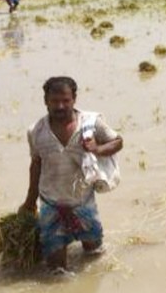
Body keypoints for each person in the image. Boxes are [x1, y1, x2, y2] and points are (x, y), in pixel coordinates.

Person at [19, 77, 123, 274]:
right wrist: (30, 202)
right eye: (54, 101)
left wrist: (98, 149)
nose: (60, 106)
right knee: (57, 270)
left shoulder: (90, 124)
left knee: (94, 254)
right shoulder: (36, 131)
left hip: (83, 202)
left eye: (65, 100)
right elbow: (36, 165)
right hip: (51, 205)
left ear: (74, 99)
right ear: (45, 101)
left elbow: (118, 141)